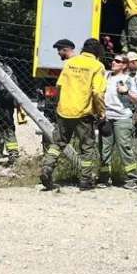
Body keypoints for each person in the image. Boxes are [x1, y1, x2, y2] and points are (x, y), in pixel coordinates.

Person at [41, 38, 107, 191]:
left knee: (57, 143)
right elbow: (97, 92)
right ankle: (86, 180)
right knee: (87, 147)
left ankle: (46, 169)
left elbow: (59, 85)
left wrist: (60, 104)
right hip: (83, 113)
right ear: (97, 52)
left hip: (64, 111)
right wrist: (101, 112)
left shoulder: (71, 62)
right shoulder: (97, 66)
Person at [99, 53, 137, 188]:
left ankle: (133, 178)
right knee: (104, 148)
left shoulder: (128, 79)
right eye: (113, 60)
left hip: (122, 117)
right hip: (106, 117)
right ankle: (104, 178)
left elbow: (136, 99)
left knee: (124, 147)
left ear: (124, 65)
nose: (113, 62)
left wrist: (126, 91)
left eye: (117, 61)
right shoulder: (106, 76)